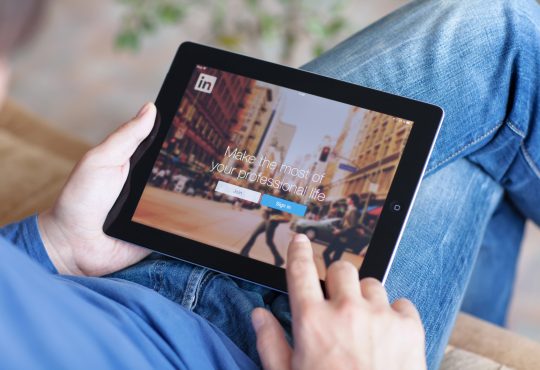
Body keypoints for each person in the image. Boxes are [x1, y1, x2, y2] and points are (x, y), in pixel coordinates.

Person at [0, 0, 539, 369]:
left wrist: (53, 246)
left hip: (118, 275)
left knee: (470, 105)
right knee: (507, 56)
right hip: (274, 352)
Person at [240, 202, 291, 267]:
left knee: (269, 241)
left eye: (276, 191)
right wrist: (266, 210)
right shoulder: (273, 199)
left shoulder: (282, 201)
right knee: (254, 235)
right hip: (267, 220)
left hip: (272, 222)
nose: (275, 191)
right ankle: (244, 253)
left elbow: (287, 218)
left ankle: (279, 259)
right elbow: (266, 208)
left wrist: (275, 217)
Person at [323, 193, 365, 267]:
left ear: (352, 200)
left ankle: (330, 269)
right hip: (341, 236)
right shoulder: (350, 209)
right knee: (335, 257)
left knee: (327, 254)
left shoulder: (353, 211)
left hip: (343, 238)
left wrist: (339, 231)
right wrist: (337, 228)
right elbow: (346, 224)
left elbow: (352, 226)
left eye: (348, 198)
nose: (346, 199)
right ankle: (330, 269)